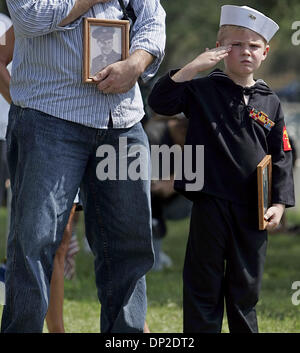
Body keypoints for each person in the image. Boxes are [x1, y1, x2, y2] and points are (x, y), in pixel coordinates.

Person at [1, 0, 165, 333]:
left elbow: (153, 21)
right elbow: (29, 17)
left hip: (123, 121)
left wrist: (136, 63)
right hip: (48, 116)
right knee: (35, 243)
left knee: (129, 247)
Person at [148, 5, 295, 333]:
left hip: (253, 208)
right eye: (235, 45)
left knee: (247, 285)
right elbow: (160, 102)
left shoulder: (270, 100)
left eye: (254, 46)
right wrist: (193, 67)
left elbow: (282, 155)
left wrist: (279, 203)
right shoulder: (201, 90)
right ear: (218, 50)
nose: (245, 52)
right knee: (204, 283)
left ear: (265, 52)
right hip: (209, 202)